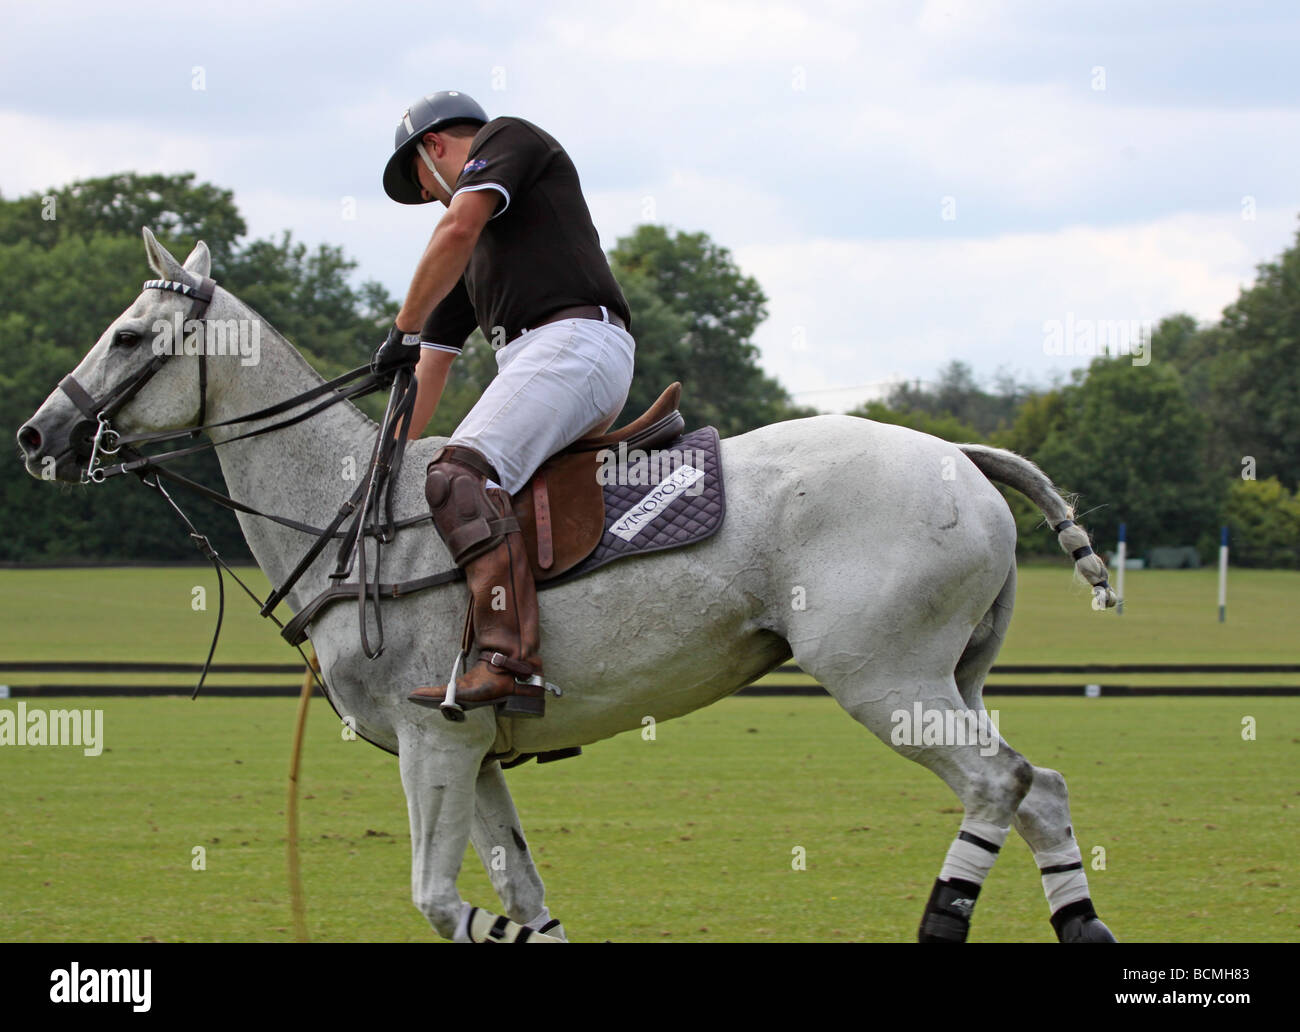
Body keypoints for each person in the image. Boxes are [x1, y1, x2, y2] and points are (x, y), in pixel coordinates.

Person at [372, 90, 635, 717]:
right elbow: (429, 371)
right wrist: (382, 460)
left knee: (458, 475)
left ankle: (509, 666)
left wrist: (402, 325)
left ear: (433, 148)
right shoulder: (473, 261)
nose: (433, 197)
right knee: (452, 482)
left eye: (424, 184)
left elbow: (456, 225)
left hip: (574, 343)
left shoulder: (509, 137)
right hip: (541, 361)